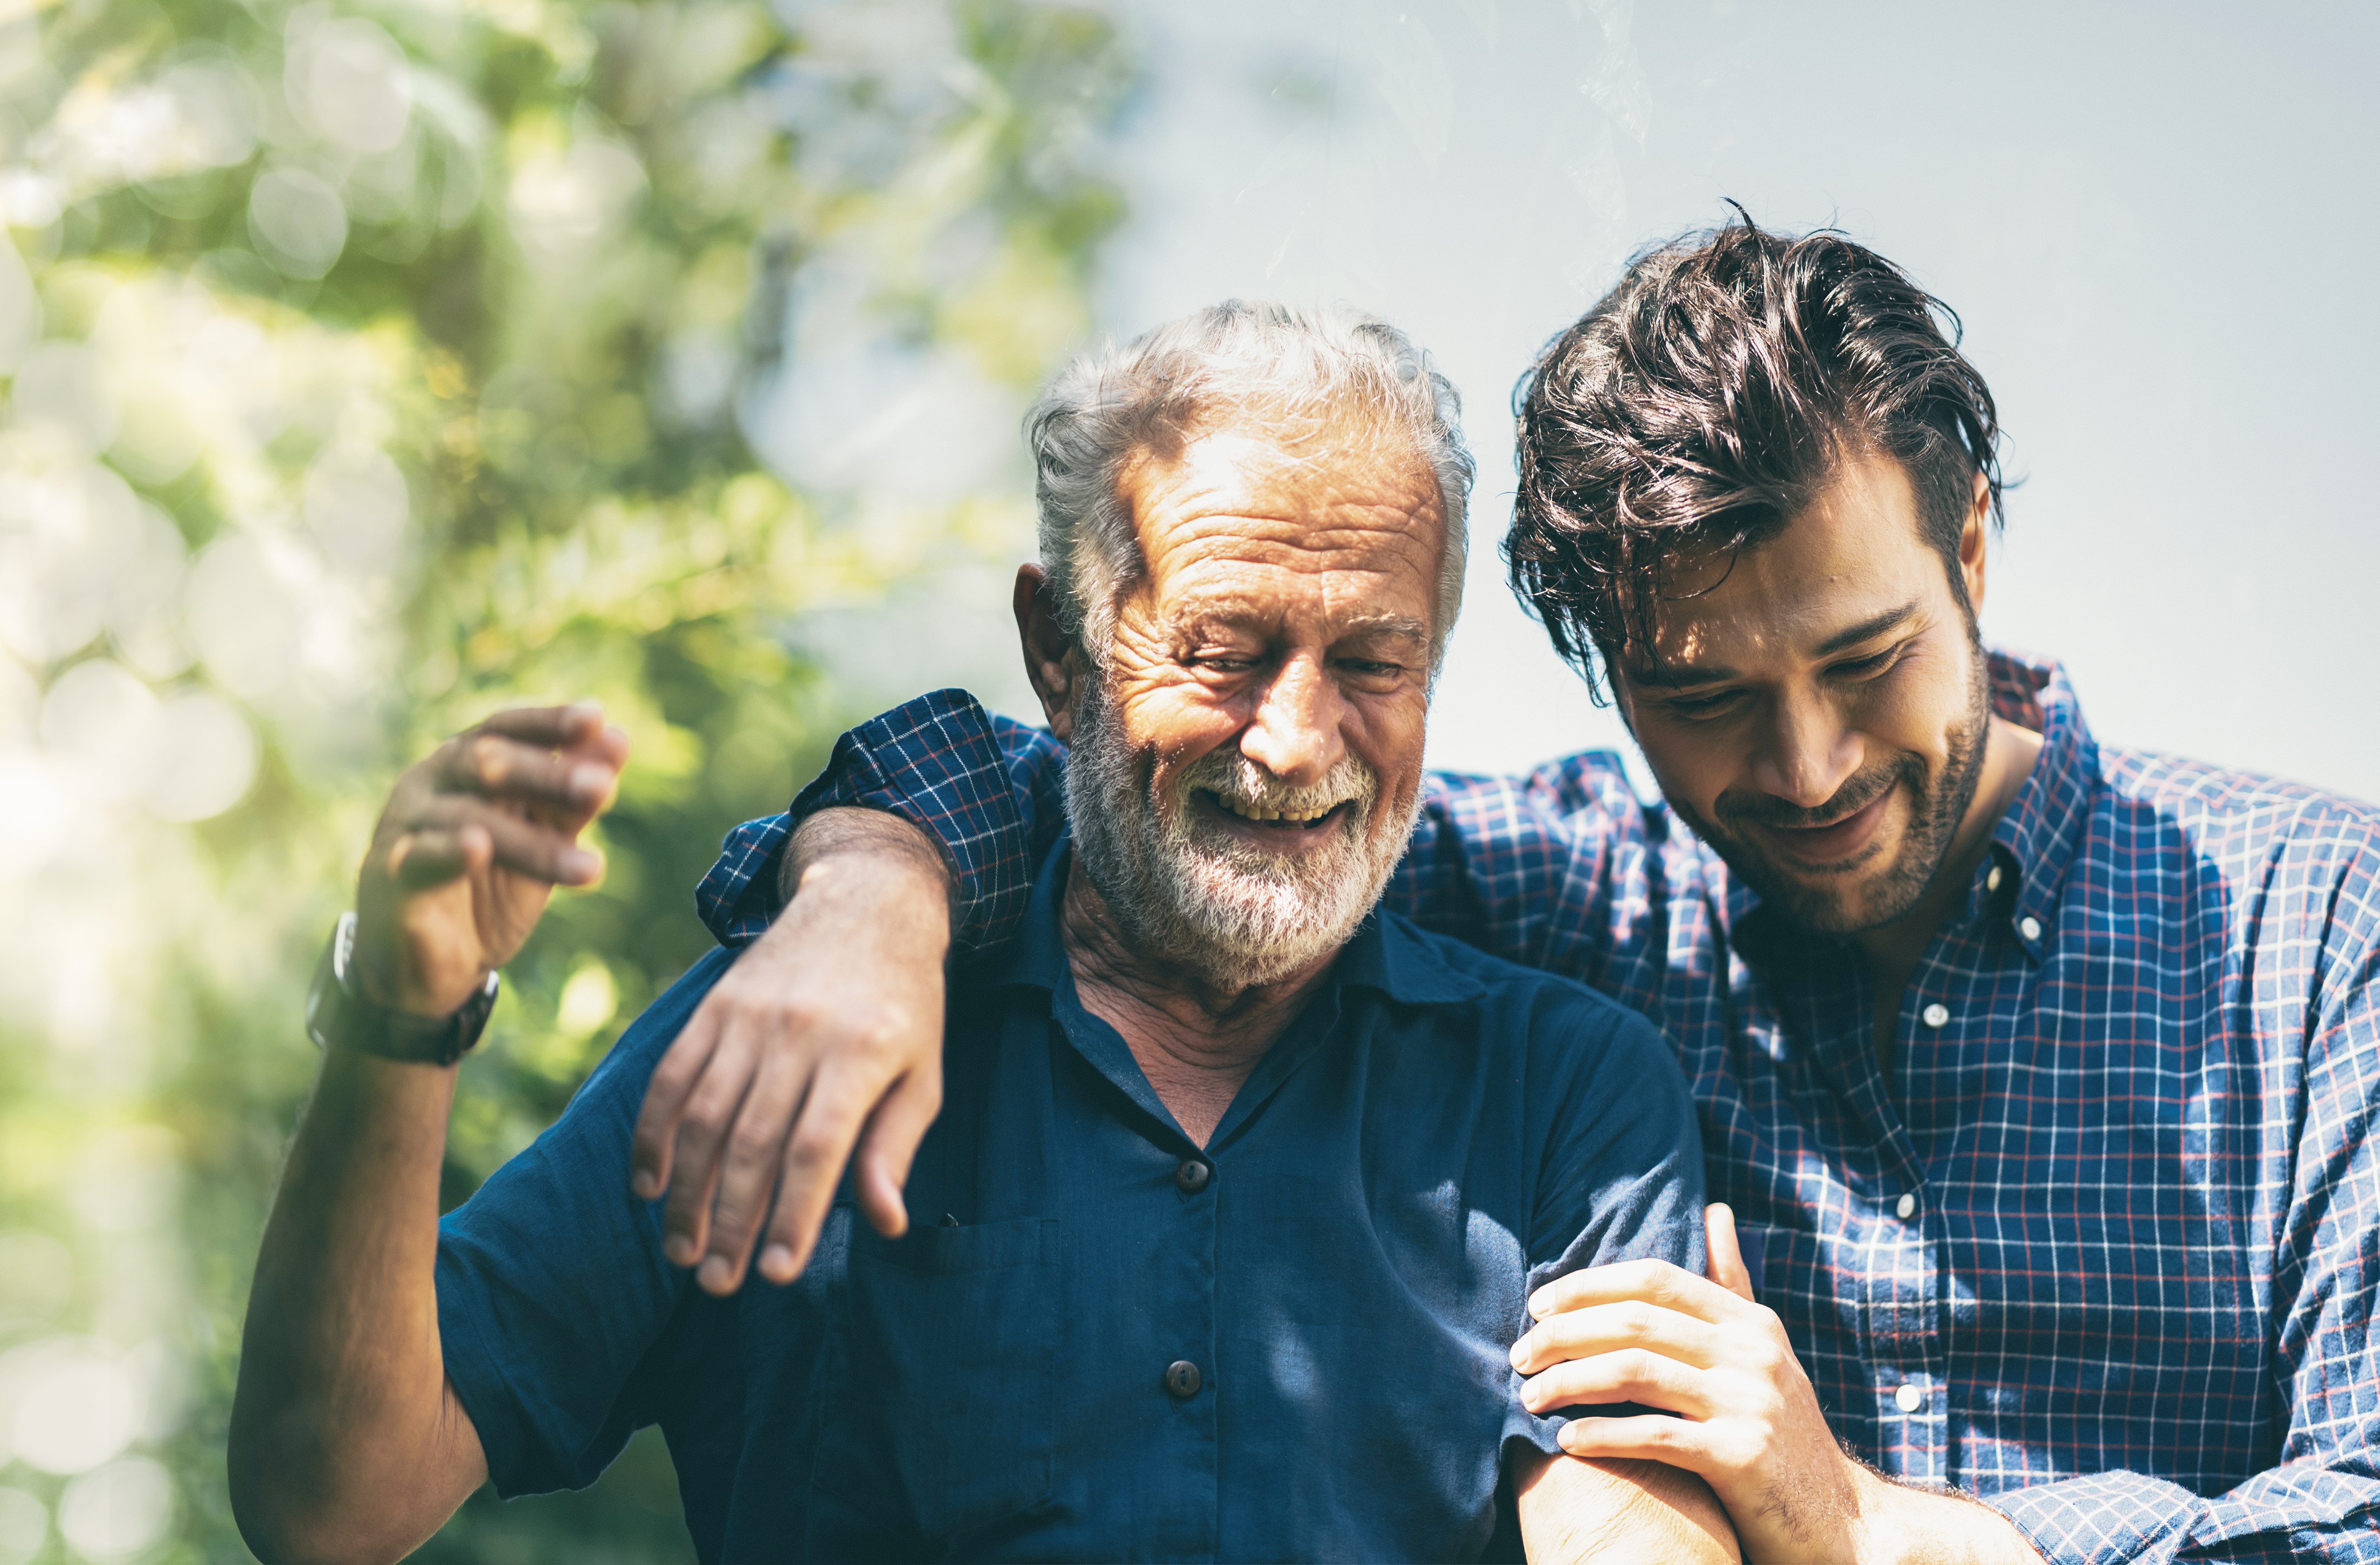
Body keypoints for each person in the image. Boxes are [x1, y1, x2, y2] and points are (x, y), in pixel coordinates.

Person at [656, 219, 2380, 1565]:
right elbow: (1140, 789)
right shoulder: (1555, 899)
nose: (1801, 769)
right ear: (1599, 667)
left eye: (1866, 659)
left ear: (1973, 546)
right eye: (1704, 698)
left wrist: (1879, 1534)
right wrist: (869, 888)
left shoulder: (2326, 927)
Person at [227, 302, 1747, 1564]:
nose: (1295, 740)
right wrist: (402, 1013)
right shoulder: (794, 1027)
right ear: (1057, 652)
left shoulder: (1568, 1093)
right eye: (1222, 653)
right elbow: (331, 1499)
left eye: (1373, 660)